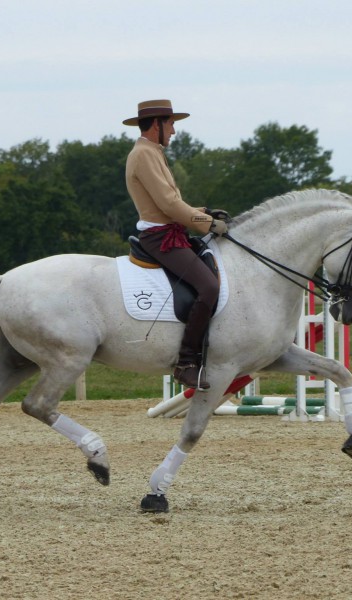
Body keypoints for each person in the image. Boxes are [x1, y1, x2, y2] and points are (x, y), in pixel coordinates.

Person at [123, 99, 229, 390]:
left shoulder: (152, 152)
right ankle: (186, 362)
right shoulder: (144, 154)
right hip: (161, 238)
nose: (173, 131)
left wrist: (202, 212)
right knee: (208, 287)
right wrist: (206, 224)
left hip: (171, 232)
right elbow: (168, 204)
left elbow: (173, 203)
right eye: (171, 124)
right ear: (157, 124)